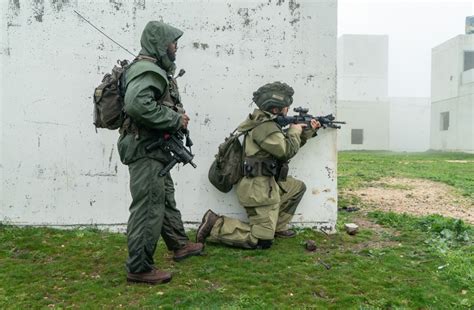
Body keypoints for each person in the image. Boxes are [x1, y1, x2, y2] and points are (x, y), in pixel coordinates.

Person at [118, 21, 203, 285]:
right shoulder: (149, 71)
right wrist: (175, 120)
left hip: (153, 148)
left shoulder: (149, 69)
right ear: (160, 44)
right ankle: (139, 268)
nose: (176, 47)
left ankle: (179, 244)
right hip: (146, 149)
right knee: (148, 208)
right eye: (172, 42)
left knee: (164, 198)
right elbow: (136, 105)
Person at [196, 82, 320, 249]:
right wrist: (295, 130)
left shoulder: (266, 123)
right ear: (275, 108)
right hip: (258, 189)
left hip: (267, 183)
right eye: (286, 107)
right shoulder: (264, 127)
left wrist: (307, 131)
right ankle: (215, 224)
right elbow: (284, 151)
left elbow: (287, 146)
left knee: (296, 188)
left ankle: (275, 227)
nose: (288, 110)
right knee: (261, 241)